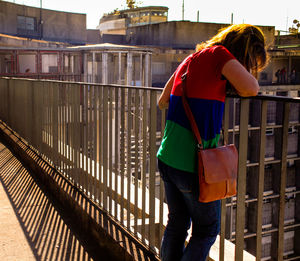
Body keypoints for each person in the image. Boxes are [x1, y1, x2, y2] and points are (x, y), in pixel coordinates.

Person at [156, 24, 268, 261]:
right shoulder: (219, 56)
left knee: (177, 223)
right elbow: (251, 88)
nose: (250, 68)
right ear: (244, 51)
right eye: (251, 62)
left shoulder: (190, 59)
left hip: (167, 156)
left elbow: (162, 101)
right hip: (193, 165)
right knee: (206, 230)